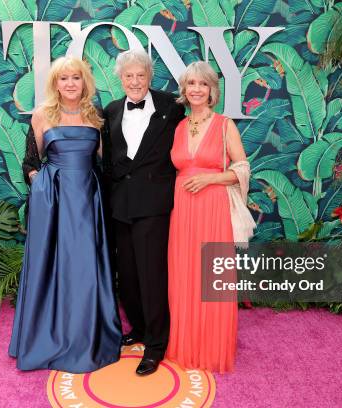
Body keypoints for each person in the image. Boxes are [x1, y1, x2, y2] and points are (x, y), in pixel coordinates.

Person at [9, 56, 121, 372]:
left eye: (76, 77)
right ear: (55, 83)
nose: (70, 83)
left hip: (87, 200)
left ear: (85, 82)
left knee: (85, 267)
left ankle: (87, 335)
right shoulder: (42, 114)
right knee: (53, 265)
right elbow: (31, 162)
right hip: (55, 201)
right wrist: (42, 184)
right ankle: (49, 336)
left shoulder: (96, 115)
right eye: (64, 78)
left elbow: (107, 162)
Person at [101, 49, 185, 376]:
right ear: (120, 79)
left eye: (140, 75)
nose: (135, 82)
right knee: (129, 277)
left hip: (154, 204)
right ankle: (137, 327)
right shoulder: (110, 111)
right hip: (120, 204)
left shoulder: (171, 106)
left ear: (149, 76)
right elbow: (107, 160)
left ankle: (155, 345)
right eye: (129, 76)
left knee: (152, 277)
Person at [167, 61, 249, 373]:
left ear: (212, 90)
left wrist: (210, 179)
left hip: (213, 209)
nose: (197, 90)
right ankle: (185, 346)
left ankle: (212, 347)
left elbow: (241, 167)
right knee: (183, 276)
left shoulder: (225, 124)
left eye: (203, 84)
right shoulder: (178, 127)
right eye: (191, 84)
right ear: (184, 91)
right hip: (182, 210)